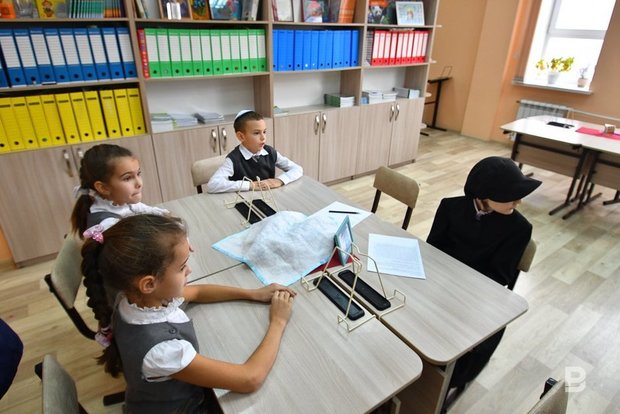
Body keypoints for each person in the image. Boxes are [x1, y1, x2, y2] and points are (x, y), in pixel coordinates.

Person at [81, 214, 295, 413]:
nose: (189, 271)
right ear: (149, 284)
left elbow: (198, 292)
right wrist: (278, 321)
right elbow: (249, 379)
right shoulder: (162, 350)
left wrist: (252, 294)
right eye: (182, 267)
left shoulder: (130, 298)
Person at [426, 156, 541, 394]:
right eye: (511, 196)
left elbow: (498, 278)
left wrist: (454, 279)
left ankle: (441, 386)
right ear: (484, 195)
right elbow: (432, 249)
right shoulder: (450, 207)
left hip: (478, 301)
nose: (518, 202)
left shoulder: (520, 228)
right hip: (438, 285)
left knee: (446, 364)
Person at [70, 144, 168, 238]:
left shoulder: (121, 202)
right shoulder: (107, 225)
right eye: (127, 178)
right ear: (103, 188)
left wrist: (166, 216)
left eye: (138, 174)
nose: (139, 183)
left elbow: (145, 209)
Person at [206, 110, 303, 193]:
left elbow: (297, 169)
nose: (263, 137)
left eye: (264, 132)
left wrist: (280, 180)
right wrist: (250, 185)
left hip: (269, 199)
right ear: (241, 136)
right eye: (256, 133)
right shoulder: (233, 159)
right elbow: (212, 185)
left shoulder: (270, 152)